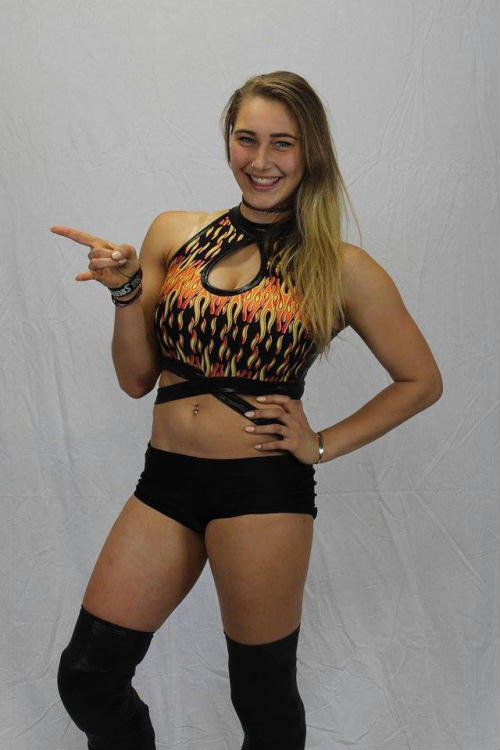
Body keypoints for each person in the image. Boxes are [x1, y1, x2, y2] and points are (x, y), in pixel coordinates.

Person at [52, 70, 442, 750]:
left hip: (263, 492)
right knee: (89, 678)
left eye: (282, 143)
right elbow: (136, 379)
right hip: (165, 484)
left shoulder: (341, 267)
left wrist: (321, 443)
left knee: (262, 700)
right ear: (229, 140)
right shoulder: (174, 233)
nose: (261, 161)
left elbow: (420, 380)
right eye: (246, 139)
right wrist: (125, 293)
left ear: (310, 151)